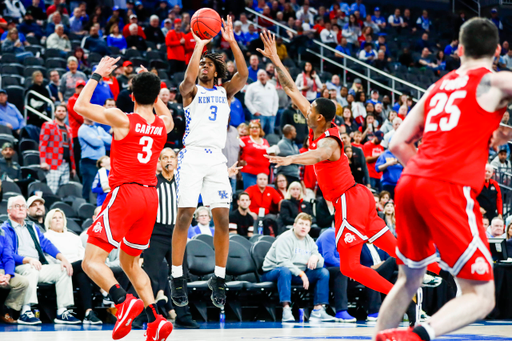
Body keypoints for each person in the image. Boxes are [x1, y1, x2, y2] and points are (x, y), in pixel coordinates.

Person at [259, 31, 440, 308]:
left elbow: (317, 155)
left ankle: (405, 297)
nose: (305, 111)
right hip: (361, 197)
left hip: (348, 201)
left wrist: (289, 159)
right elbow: (291, 90)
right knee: (392, 246)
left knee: (349, 266)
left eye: (310, 111)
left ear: (319, 117)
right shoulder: (319, 121)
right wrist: (275, 60)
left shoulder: (330, 141)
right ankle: (439, 271)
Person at [374, 18, 512, 341]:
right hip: (446, 186)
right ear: (496, 51)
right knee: (481, 295)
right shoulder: (493, 81)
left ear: (459, 49)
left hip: (409, 183)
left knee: (408, 280)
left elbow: (397, 143)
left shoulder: (437, 87)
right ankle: (417, 335)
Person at [74, 56, 174, 340]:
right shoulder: (163, 125)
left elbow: (80, 107)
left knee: (90, 262)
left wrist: (98, 74)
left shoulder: (122, 118)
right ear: (156, 97)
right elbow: (162, 112)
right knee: (131, 263)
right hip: (150, 199)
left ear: (131, 96)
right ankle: (155, 319)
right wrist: (153, 87)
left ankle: (121, 300)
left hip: (125, 193)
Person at [170, 17, 248, 311]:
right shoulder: (192, 91)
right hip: (191, 155)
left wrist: (231, 39)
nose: (203, 66)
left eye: (207, 64)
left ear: (217, 70)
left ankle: (219, 276)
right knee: (184, 217)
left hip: (216, 159)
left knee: (224, 222)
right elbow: (186, 82)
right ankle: (176, 276)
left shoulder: (224, 92)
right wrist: (199, 44)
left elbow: (243, 72)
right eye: (201, 63)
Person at [137, 148, 198, 328]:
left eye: (172, 157)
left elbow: (190, 206)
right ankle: (141, 315)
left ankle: (183, 316)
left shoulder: (183, 183)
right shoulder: (152, 183)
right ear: (159, 162)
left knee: (181, 275)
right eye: (165, 158)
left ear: (177, 161)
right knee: (148, 275)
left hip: (177, 234)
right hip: (156, 234)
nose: (169, 160)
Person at [2, 195, 79, 325]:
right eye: (17, 206)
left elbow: (46, 244)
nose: (21, 208)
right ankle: (26, 311)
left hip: (37, 265)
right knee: (31, 269)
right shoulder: (5, 228)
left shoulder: (32, 227)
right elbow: (8, 254)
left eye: (23, 206)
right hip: (18, 266)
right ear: (9, 211)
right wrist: (28, 260)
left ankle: (62, 311)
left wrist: (62, 258)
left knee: (63, 269)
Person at [261, 213, 335, 322]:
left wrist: (316, 258)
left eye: (306, 225)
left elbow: (320, 260)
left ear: (309, 228)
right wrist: (301, 274)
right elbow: (282, 262)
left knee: (323, 272)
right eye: (301, 224)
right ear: (294, 225)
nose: (303, 227)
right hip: (273, 271)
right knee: (284, 271)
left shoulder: (309, 240)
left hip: (297, 274)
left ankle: (318, 311)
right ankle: (286, 310)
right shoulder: (285, 238)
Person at [44, 208, 102, 324]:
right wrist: (65, 264)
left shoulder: (74, 237)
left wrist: (76, 263)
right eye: (54, 218)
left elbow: (82, 255)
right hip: (60, 268)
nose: (57, 220)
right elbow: (47, 258)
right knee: (84, 265)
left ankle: (88, 312)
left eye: (60, 217)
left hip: (77, 268)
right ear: (49, 221)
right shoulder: (46, 237)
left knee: (82, 275)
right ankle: (103, 289)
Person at [316, 226, 357, 322]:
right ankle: (341, 311)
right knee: (341, 271)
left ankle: (374, 311)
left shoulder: (348, 238)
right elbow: (328, 257)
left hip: (339, 269)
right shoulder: (330, 234)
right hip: (323, 270)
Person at [39, 105, 76, 194]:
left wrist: (73, 167)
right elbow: (42, 144)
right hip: (53, 163)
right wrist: (43, 161)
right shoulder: (48, 125)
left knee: (64, 191)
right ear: (55, 113)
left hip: (66, 164)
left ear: (66, 114)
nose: (61, 112)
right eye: (59, 110)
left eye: (63, 111)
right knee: (52, 190)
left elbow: (71, 150)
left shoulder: (69, 129)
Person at [0, 219, 29, 324]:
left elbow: (8, 257)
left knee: (23, 282)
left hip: (3, 271)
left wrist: (7, 275)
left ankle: (6, 310)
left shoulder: (2, 233)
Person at [78, 117, 112, 201]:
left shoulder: (99, 128)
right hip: (89, 162)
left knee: (103, 185)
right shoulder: (82, 129)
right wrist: (102, 139)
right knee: (89, 187)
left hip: (101, 163)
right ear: (84, 116)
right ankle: (86, 207)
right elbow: (95, 143)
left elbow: (111, 140)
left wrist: (100, 137)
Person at [245, 70, 279, 135]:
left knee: (270, 135)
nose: (262, 76)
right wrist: (254, 112)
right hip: (258, 115)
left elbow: (276, 100)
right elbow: (247, 100)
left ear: (266, 76)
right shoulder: (252, 86)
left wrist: (274, 112)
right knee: (258, 134)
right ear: (257, 77)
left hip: (270, 115)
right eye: (260, 75)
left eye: (264, 75)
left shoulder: (271, 87)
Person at [239, 120, 270, 189]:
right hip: (249, 173)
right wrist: (239, 161)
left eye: (256, 127)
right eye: (252, 127)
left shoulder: (265, 141)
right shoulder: (244, 139)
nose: (254, 129)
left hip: (263, 174)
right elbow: (235, 151)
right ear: (249, 129)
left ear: (260, 129)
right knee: (250, 194)